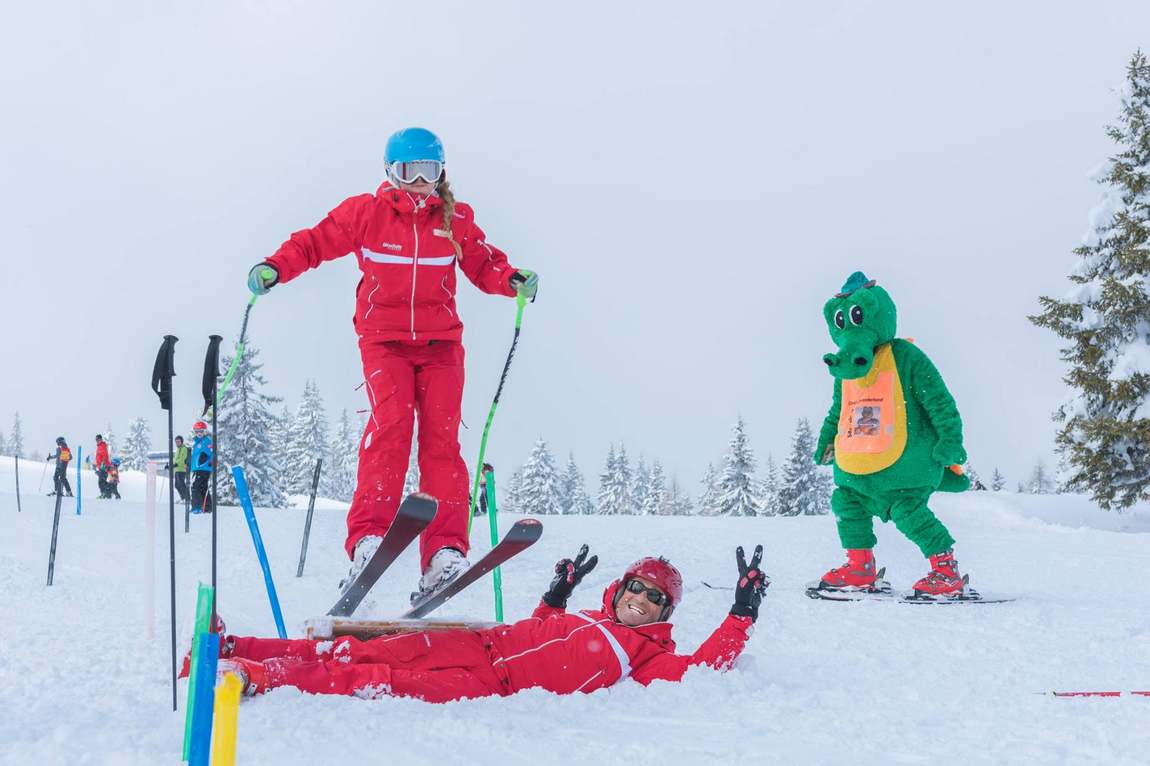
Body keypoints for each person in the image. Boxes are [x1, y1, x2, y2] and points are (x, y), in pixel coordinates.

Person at [248, 127, 540, 602]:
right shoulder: (366, 214)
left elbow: (485, 264)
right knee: (392, 424)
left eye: (431, 171)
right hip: (384, 342)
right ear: (391, 172)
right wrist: (276, 266)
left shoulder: (455, 220)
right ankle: (368, 538)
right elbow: (314, 242)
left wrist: (512, 279)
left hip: (442, 345)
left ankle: (443, 553)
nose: (421, 182)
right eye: (411, 172)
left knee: (443, 442)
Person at [207, 545, 768, 701]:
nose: (642, 599)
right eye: (636, 587)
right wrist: (558, 593)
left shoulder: (645, 657)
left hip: (486, 684)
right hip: (480, 642)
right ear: (618, 589)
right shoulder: (591, 617)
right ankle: (233, 643)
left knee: (368, 677)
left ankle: (255, 674)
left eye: (655, 598)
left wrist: (739, 614)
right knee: (357, 647)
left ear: (665, 614)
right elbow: (543, 627)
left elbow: (701, 668)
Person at [813, 272, 971, 599]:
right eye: (843, 322)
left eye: (858, 318)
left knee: (907, 511)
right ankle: (860, 567)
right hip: (857, 467)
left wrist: (950, 440)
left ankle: (946, 570)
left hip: (905, 466)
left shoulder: (905, 357)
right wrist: (828, 439)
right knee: (846, 502)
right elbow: (839, 409)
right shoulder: (847, 368)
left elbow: (938, 399)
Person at [189, 422, 214, 514]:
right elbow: (195, 456)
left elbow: (212, 452)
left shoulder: (206, 440)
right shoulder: (197, 443)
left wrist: (205, 457)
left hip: (203, 468)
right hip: (199, 468)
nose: (199, 433)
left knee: (195, 487)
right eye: (197, 431)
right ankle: (207, 508)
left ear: (205, 431)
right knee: (203, 487)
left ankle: (197, 507)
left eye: (201, 431)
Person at [171, 435, 191, 503]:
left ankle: (187, 498)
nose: (177, 443)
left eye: (178, 441)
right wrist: (171, 465)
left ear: (181, 442)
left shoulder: (184, 448)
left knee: (181, 484)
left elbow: (183, 458)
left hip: (182, 469)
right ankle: (183, 498)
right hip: (177, 469)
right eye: (176, 442)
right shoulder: (177, 450)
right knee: (177, 485)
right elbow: (175, 459)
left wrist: (176, 463)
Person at [94, 434, 112, 499]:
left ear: (101, 439)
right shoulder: (99, 447)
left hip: (104, 466)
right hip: (101, 467)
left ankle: (104, 494)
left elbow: (105, 456)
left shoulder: (102, 446)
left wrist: (104, 465)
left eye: (98, 439)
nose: (97, 441)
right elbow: (99, 457)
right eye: (96, 440)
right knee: (103, 481)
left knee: (101, 482)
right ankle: (108, 493)